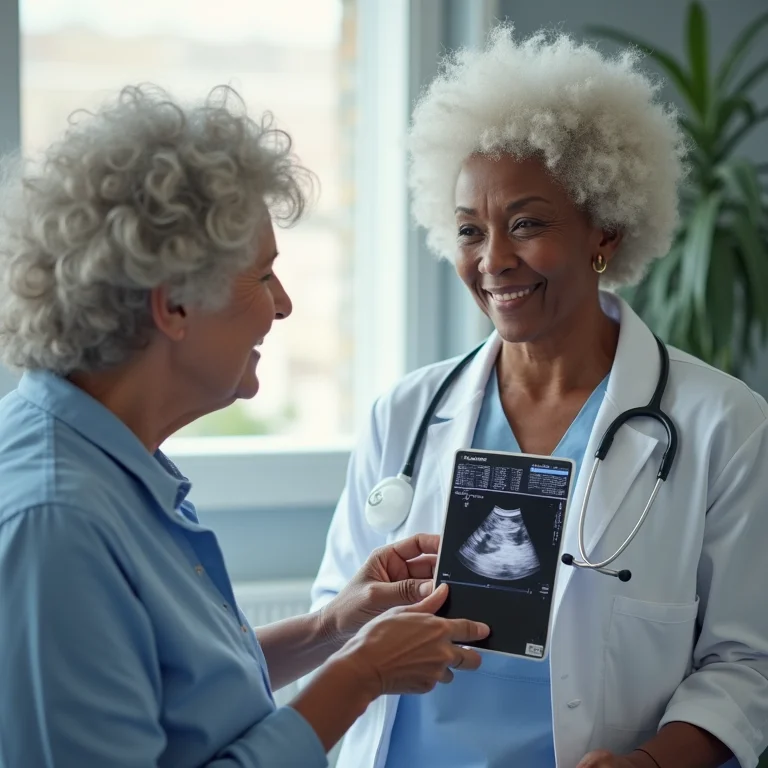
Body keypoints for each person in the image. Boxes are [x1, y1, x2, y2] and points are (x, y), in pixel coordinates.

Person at [310, 25, 768, 768]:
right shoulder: (406, 413)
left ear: (605, 233)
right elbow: (332, 616)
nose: (493, 261)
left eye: (527, 224)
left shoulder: (723, 424)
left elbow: (749, 664)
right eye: (468, 229)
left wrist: (650, 765)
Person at [0, 85, 491, 768]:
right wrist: (360, 678)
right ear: (173, 305)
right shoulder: (55, 524)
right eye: (263, 276)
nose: (282, 306)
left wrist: (331, 626)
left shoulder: (108, 461)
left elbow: (172, 691)